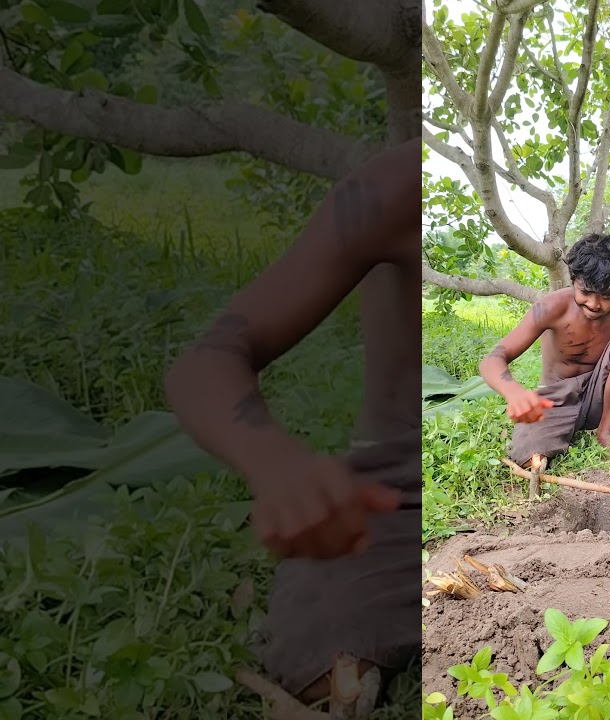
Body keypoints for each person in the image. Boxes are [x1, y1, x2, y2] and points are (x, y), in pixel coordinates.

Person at [164, 140, 421, 704]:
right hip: (392, 496)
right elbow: (204, 364)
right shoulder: (399, 187)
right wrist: (276, 464)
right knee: (332, 674)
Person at [479, 232, 610, 466]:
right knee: (531, 457)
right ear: (574, 280)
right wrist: (514, 393)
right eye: (586, 292)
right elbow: (493, 359)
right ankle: (548, 437)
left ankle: (606, 434)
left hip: (602, 402)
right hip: (554, 401)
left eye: (606, 296)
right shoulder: (552, 307)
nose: (593, 303)